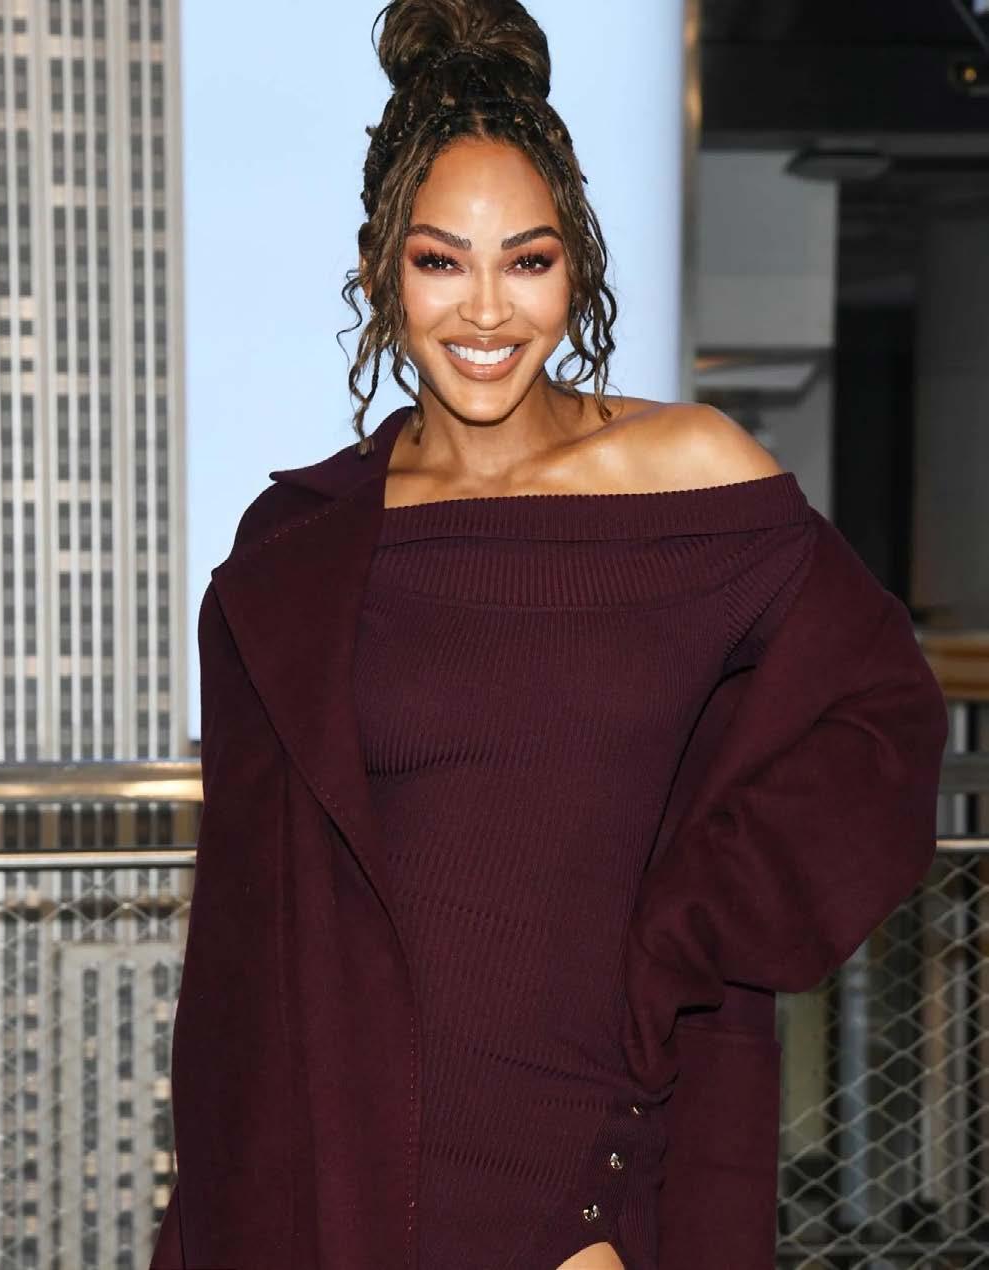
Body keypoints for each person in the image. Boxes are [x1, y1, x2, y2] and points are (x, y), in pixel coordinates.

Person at [150, 3, 949, 1268]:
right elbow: (246, 951)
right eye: (440, 261)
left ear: (575, 264)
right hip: (352, 1162)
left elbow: (880, 718)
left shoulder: (686, 477)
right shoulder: (296, 550)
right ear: (379, 268)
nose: (485, 310)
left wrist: (684, 939)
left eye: (525, 261)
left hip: (582, 1156)